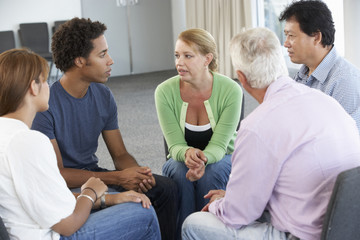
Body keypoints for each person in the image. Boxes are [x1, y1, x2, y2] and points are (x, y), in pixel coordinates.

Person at [181, 27, 360, 240]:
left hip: (303, 234)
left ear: (242, 78)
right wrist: (234, 198)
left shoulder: (256, 127)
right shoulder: (326, 101)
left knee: (193, 224)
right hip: (349, 225)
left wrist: (219, 206)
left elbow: (237, 215)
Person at [31, 17, 177, 240]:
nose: (110, 61)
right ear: (80, 61)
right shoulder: (46, 106)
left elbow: (120, 154)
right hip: (70, 188)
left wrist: (137, 175)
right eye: (102, 55)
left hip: (97, 175)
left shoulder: (103, 95)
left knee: (165, 188)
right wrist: (119, 178)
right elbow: (60, 174)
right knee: (136, 203)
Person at [0, 48, 161, 240]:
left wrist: (111, 198)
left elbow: (52, 200)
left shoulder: (7, 133)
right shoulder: (28, 141)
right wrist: (91, 191)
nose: (48, 86)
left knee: (130, 202)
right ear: (33, 88)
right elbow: (67, 224)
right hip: (51, 235)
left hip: (31, 228)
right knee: (144, 215)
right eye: (43, 81)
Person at [155, 28, 243, 239]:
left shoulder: (231, 90)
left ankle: (211, 233)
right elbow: (174, 144)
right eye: (177, 55)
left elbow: (220, 146)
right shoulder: (164, 91)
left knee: (212, 171)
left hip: (223, 157)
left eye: (188, 56)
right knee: (178, 171)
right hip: (181, 159)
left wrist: (202, 160)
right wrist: (186, 154)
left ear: (207, 59)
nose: (179, 62)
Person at [279, 0, 360, 134]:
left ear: (316, 37)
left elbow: (346, 143)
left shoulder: (345, 82)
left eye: (291, 36)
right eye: (286, 35)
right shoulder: (302, 75)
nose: (286, 43)